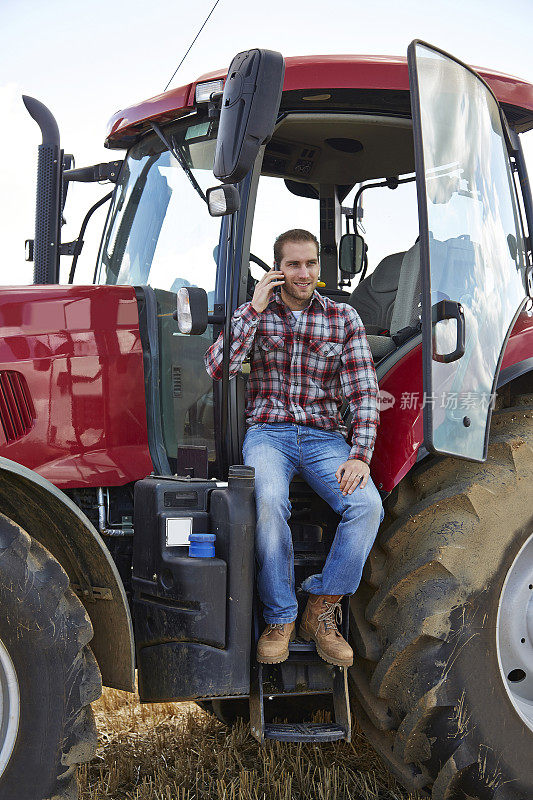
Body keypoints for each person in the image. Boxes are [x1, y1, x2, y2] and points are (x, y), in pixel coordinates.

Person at [204, 229, 384, 668]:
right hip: (270, 433)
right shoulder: (257, 314)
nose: (303, 274)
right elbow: (217, 367)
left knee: (367, 507)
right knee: (267, 502)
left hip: (325, 438)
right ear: (277, 269)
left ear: (319, 268)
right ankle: (281, 617)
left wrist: (360, 455)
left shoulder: (343, 318)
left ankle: (320, 610)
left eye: (310, 264)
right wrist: (252, 310)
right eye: (293, 265)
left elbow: (363, 392)